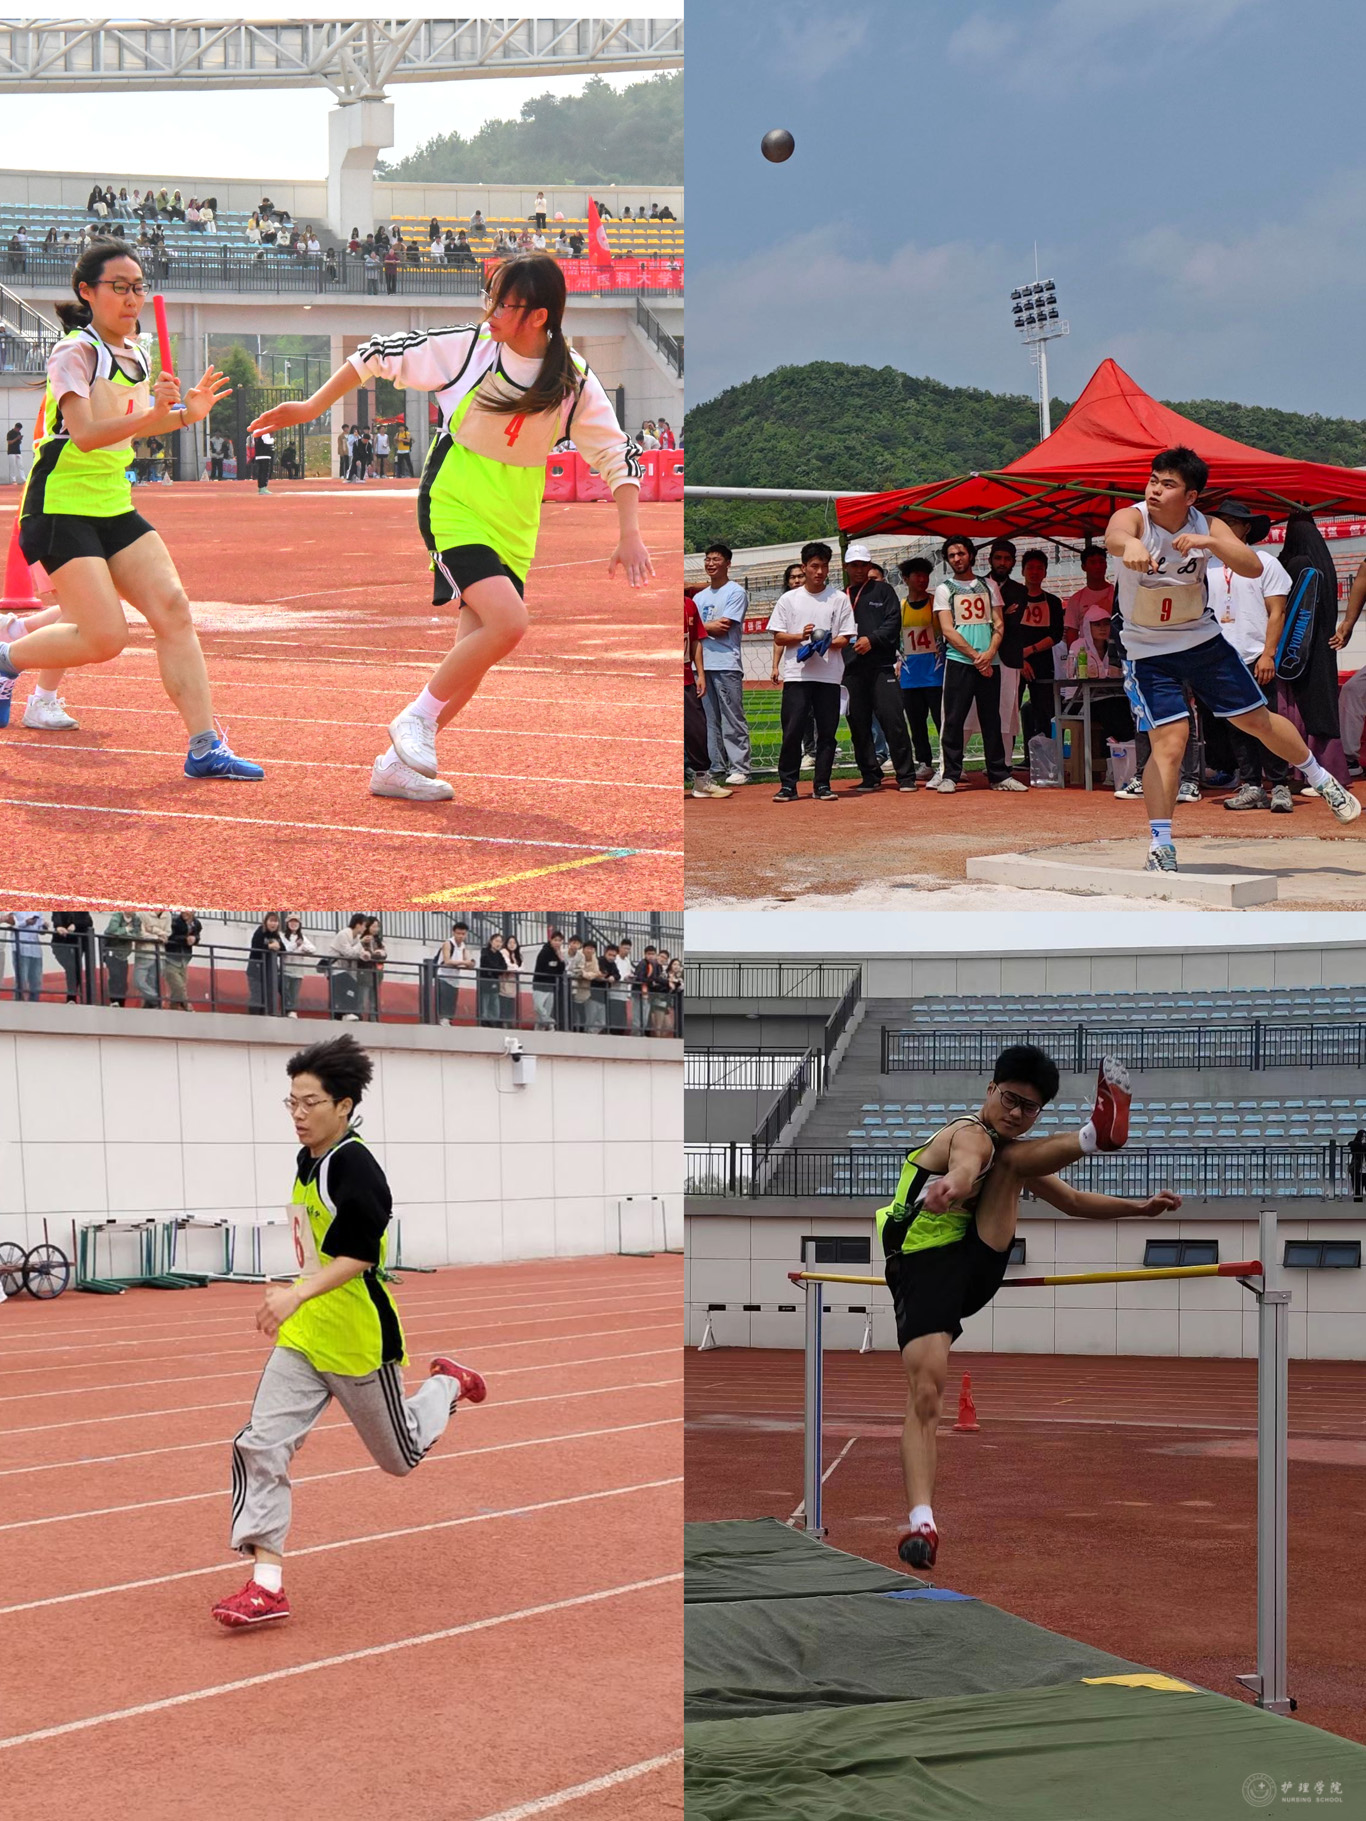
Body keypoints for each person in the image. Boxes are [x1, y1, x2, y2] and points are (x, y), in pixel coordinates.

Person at [251, 254, 651, 806]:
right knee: (509, 623)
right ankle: (414, 719)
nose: (491, 312)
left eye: (504, 304)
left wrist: (630, 532)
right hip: (454, 498)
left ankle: (394, 768)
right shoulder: (469, 348)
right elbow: (375, 354)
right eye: (490, 298)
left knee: (475, 653)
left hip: (516, 517)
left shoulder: (572, 378)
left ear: (538, 316)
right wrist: (311, 405)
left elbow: (615, 453)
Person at [213, 1034, 487, 1628]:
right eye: (291, 1102)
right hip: (304, 1337)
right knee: (259, 1444)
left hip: (359, 1340)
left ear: (344, 1105)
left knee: (400, 1458)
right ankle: (266, 1586)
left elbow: (361, 1254)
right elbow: (316, 1247)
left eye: (309, 1102)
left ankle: (447, 1385)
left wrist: (296, 1293)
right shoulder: (308, 1159)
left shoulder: (355, 1166)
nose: (298, 1114)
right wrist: (295, 1293)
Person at [882, 1050, 1174, 1571]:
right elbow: (966, 1163)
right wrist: (952, 1184)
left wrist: (1140, 1209)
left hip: (976, 1263)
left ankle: (1095, 1135)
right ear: (990, 1090)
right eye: (1011, 1100)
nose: (1017, 1113)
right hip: (925, 1267)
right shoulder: (967, 1133)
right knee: (926, 1393)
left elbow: (1073, 1202)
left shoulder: (1010, 1155)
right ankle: (923, 1521)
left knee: (1013, 1160)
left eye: (1030, 1108)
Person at [0, 243, 262, 780]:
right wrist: (154, 414)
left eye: (138, 287)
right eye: (118, 287)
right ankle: (5, 660)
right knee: (105, 637)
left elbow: (141, 422)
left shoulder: (137, 354)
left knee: (174, 610)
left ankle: (205, 746)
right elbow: (87, 434)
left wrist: (185, 415)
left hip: (113, 503)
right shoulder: (75, 352)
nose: (131, 298)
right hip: (59, 505)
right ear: (87, 292)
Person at [1105, 446, 1359, 872]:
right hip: (1148, 650)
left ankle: (1321, 778)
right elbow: (1115, 534)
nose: (1154, 490)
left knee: (1256, 720)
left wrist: (1210, 542)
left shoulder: (1207, 524)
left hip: (1202, 641)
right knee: (1171, 740)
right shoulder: (1135, 518)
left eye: (1167, 484)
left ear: (1190, 496)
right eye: (1153, 480)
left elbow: (1252, 567)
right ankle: (1161, 844)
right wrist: (1129, 544)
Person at [1204, 501, 1294, 812]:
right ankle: (1252, 784)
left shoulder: (1265, 562)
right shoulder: (1206, 565)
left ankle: (1280, 784)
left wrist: (1269, 654)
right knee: (1236, 725)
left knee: (1267, 722)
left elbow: (1277, 612)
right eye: (1220, 522)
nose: (1225, 527)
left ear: (1246, 528)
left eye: (1232, 522)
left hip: (1256, 655)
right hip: (1221, 657)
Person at [768, 542, 855, 802]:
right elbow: (779, 636)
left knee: (827, 732)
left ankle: (822, 784)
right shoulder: (789, 599)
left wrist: (827, 642)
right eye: (814, 566)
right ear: (804, 567)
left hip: (829, 675)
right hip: (798, 675)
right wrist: (802, 636)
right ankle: (788, 785)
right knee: (792, 730)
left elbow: (846, 637)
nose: (819, 571)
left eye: (824, 566)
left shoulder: (839, 598)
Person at [933, 536, 1018, 793]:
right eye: (951, 555)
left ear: (971, 555)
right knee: (954, 719)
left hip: (990, 662)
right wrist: (975, 656)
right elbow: (947, 629)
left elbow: (999, 623)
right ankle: (950, 774)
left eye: (960, 553)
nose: (957, 559)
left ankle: (999, 775)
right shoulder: (944, 589)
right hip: (960, 661)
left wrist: (989, 653)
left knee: (992, 718)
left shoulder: (988, 585)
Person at [842, 542, 916, 793]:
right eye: (854, 565)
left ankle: (906, 776)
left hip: (881, 667)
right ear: (846, 567)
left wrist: (871, 640)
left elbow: (894, 621)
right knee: (858, 725)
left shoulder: (883, 591)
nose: (859, 570)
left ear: (869, 565)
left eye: (863, 565)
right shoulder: (840, 596)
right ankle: (870, 775)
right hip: (851, 670)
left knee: (893, 721)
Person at [694, 543, 749, 786]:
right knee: (709, 720)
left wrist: (700, 628)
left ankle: (740, 767)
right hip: (702, 665)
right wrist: (706, 627)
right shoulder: (699, 597)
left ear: (728, 563)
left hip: (726, 663)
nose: (711, 563)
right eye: (707, 559)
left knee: (732, 717)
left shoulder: (735, 592)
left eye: (716, 559)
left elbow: (723, 627)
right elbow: (699, 630)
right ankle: (716, 766)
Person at [983, 540, 1030, 767]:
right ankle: (954, 764)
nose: (1002, 563)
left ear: (1013, 562)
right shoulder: (977, 585)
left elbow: (1012, 623)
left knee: (1007, 709)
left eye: (1007, 559)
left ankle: (1005, 762)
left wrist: (993, 617)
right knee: (971, 711)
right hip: (980, 656)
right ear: (990, 559)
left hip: (1008, 658)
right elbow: (981, 623)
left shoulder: (1019, 590)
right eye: (998, 558)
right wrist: (1003, 614)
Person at [1015, 548, 1066, 755]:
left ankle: (1045, 758)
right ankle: (1006, 759)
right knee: (1010, 711)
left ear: (1045, 572)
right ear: (1023, 571)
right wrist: (1019, 658)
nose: (1034, 572)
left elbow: (1055, 634)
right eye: (1030, 568)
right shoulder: (1013, 599)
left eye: (1039, 568)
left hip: (1043, 663)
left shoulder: (1052, 602)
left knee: (1044, 711)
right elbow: (1006, 632)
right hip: (1015, 663)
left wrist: (1030, 650)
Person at [897, 558, 943, 780]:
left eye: (926, 575)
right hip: (910, 675)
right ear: (906, 579)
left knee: (942, 721)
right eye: (917, 575)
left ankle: (950, 761)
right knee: (916, 723)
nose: (923, 579)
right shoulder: (901, 607)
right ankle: (924, 762)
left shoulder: (936, 604)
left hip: (936, 674)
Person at [685, 583, 731, 799]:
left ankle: (701, 780)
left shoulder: (689, 605)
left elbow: (696, 641)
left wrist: (700, 674)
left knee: (697, 729)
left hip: (685, 679)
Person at [328, 915, 368, 1020]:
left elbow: (360, 952)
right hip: (336, 968)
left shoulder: (357, 938)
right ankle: (346, 1013)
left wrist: (365, 955)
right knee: (346, 986)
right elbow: (349, 953)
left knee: (349, 988)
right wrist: (361, 944)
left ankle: (345, 1013)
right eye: (364, 925)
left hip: (346, 970)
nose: (365, 928)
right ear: (358, 925)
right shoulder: (343, 934)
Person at [435, 919, 476, 1023]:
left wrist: (470, 963)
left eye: (463, 934)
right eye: (458, 933)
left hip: (454, 978)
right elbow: (447, 961)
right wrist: (464, 962)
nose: (460, 936)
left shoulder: (463, 946)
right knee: (444, 1000)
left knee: (452, 1001)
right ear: (453, 933)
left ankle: (449, 1019)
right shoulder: (448, 943)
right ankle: (442, 1019)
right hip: (443, 976)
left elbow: (468, 961)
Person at [50, 910, 93, 1002]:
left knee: (75, 970)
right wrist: (58, 926)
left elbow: (88, 921)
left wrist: (75, 925)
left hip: (78, 944)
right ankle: (71, 997)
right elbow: (56, 917)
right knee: (71, 968)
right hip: (61, 943)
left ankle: (72, 998)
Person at [248, 911, 285, 1015]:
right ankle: (255, 1015)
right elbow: (256, 947)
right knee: (257, 994)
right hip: (256, 968)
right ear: (266, 922)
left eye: (276, 921)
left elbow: (283, 949)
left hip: (270, 969)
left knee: (270, 993)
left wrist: (278, 946)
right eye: (271, 921)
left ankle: (269, 1014)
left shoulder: (276, 935)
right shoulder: (260, 931)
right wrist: (269, 946)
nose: (273, 924)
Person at [164, 909, 202, 1011]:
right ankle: (186, 1004)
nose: (184, 912)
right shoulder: (175, 922)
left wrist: (195, 939)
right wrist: (185, 939)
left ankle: (173, 1006)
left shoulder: (196, 924)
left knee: (180, 985)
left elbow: (197, 936)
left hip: (184, 959)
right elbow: (170, 937)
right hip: (170, 958)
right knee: (179, 985)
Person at [132, 908, 169, 1007]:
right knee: (138, 981)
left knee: (153, 983)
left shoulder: (167, 915)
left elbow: (168, 933)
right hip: (144, 953)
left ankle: (151, 1005)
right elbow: (139, 933)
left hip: (160, 954)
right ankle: (156, 998)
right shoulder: (141, 914)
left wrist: (153, 930)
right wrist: (157, 937)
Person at [531, 928, 566, 1030]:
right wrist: (554, 968)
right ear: (551, 940)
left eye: (559, 940)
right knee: (538, 1007)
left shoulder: (558, 954)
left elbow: (560, 971)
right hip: (540, 984)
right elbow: (545, 969)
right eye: (555, 940)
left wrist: (561, 960)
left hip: (551, 986)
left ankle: (540, 1029)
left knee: (547, 1009)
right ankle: (550, 1021)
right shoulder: (544, 952)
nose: (557, 943)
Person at [358, 917, 386, 1021]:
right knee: (362, 996)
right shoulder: (362, 939)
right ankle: (360, 1016)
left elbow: (384, 954)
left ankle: (373, 1017)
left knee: (374, 997)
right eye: (374, 926)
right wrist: (374, 954)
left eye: (377, 927)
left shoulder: (378, 941)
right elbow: (362, 953)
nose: (376, 929)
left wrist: (380, 953)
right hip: (364, 971)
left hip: (376, 972)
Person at [478, 930, 508, 1026]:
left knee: (495, 1003)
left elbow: (504, 967)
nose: (498, 944)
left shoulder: (499, 955)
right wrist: (497, 969)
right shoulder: (485, 951)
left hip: (495, 981)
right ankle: (484, 1021)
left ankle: (494, 1021)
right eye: (496, 941)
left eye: (500, 942)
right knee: (485, 1002)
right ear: (491, 941)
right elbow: (487, 963)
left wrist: (496, 970)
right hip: (485, 981)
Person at [251, 427, 274, 495]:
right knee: (265, 471)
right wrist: (272, 438)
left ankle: (260, 487)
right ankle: (263, 487)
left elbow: (253, 443)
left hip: (258, 454)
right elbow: (268, 441)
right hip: (265, 454)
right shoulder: (264, 432)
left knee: (260, 471)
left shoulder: (255, 432)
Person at [6, 421, 24, 486]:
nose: (19, 430)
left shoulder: (18, 433)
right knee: (12, 466)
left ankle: (23, 479)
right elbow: (9, 442)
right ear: (16, 427)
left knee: (20, 465)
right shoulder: (10, 433)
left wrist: (20, 439)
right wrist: (17, 438)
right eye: (19, 429)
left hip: (17, 451)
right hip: (11, 451)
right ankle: (13, 480)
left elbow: (19, 442)